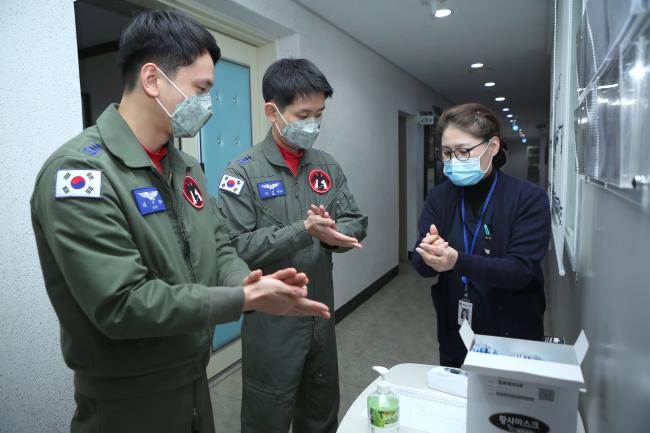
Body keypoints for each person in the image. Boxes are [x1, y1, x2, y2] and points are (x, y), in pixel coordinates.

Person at [30, 11, 330, 433]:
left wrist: (246, 281)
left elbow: (219, 244)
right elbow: (123, 304)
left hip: (191, 376)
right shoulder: (80, 175)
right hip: (128, 399)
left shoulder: (185, 166)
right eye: (200, 89)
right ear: (153, 80)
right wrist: (244, 301)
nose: (207, 103)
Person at [218, 58, 368, 433]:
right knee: (267, 417)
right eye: (304, 115)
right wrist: (304, 230)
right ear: (272, 111)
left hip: (320, 316)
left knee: (320, 412)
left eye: (320, 114)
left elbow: (356, 219)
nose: (313, 124)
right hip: (272, 326)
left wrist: (334, 234)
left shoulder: (326, 166)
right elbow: (236, 246)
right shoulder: (242, 172)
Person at [410, 103, 551, 368]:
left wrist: (456, 261)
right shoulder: (441, 196)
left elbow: (520, 271)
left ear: (493, 147)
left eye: (463, 151)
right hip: (457, 329)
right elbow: (421, 266)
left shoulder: (528, 198)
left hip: (512, 334)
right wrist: (426, 254)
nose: (453, 161)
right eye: (447, 153)